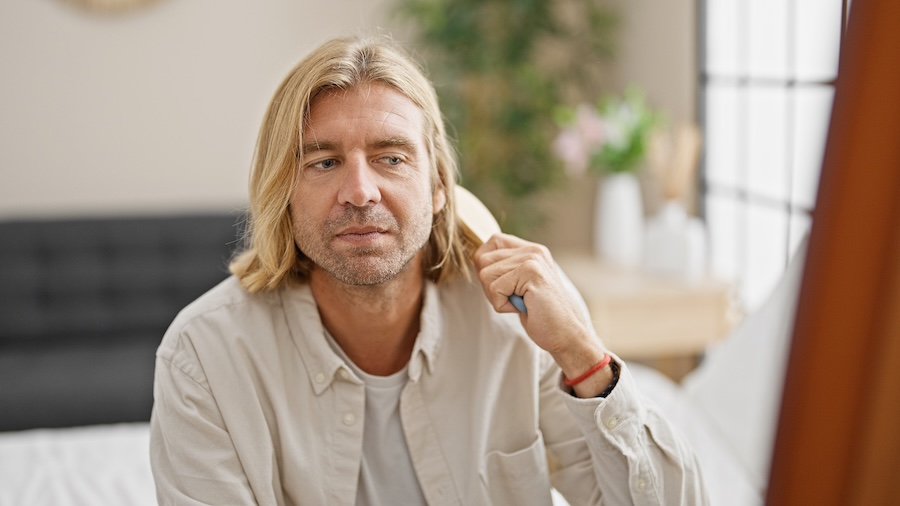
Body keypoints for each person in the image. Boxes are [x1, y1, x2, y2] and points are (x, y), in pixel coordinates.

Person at [149, 35, 707, 505]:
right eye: (323, 162)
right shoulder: (204, 359)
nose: (361, 191)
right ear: (284, 192)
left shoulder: (524, 329)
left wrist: (582, 354)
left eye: (392, 158)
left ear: (440, 187)